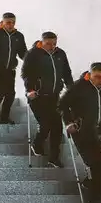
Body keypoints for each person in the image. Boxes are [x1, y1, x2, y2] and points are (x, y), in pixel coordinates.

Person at [60, 63, 101, 203]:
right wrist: (69, 122)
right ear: (90, 74)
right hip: (82, 131)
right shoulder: (79, 86)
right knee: (95, 164)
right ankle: (93, 200)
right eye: (98, 77)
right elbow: (62, 104)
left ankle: (89, 181)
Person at [20, 32, 73, 168]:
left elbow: (66, 72)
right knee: (45, 125)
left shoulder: (60, 54)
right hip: (37, 96)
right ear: (42, 42)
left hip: (54, 96)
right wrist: (30, 90)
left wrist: (71, 89)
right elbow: (26, 73)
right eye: (48, 44)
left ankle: (54, 158)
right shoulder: (33, 54)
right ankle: (37, 144)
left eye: (54, 43)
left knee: (57, 127)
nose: (52, 46)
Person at [0, 13, 26, 123]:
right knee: (1, 91)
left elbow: (23, 53)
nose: (11, 25)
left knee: (11, 94)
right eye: (8, 22)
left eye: (13, 22)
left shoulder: (19, 36)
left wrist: (31, 60)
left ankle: (4, 118)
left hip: (10, 69)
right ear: (2, 22)